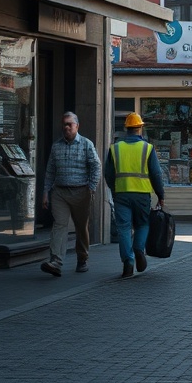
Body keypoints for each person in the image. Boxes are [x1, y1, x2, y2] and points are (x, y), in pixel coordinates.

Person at [104, 112, 167, 279]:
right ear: (140, 129)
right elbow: (156, 174)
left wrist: (115, 189)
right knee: (142, 225)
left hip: (121, 194)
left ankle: (128, 261)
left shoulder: (115, 148)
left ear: (126, 129)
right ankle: (139, 248)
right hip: (141, 195)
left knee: (123, 228)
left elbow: (108, 174)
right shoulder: (147, 148)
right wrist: (161, 195)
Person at [40, 112, 101, 277]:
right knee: (59, 225)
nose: (66, 127)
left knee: (81, 228)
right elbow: (50, 171)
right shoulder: (56, 146)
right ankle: (56, 262)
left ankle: (82, 258)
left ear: (77, 126)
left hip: (82, 192)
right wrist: (46, 192)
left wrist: (92, 187)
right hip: (59, 192)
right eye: (64, 124)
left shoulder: (87, 144)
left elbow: (96, 166)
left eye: (70, 124)